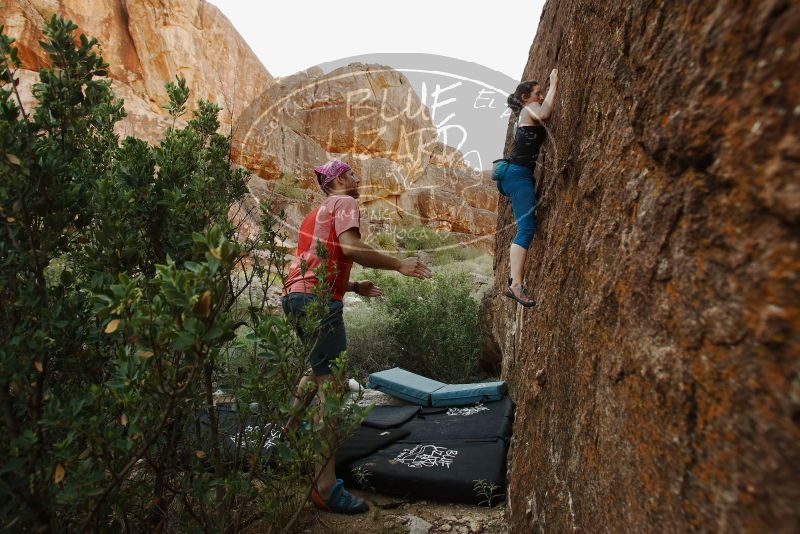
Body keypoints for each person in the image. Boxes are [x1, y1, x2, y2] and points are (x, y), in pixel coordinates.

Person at [280, 158, 432, 514]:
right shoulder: (345, 202)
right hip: (316, 300)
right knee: (330, 391)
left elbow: (314, 266)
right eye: (349, 174)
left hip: (294, 296)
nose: (355, 178)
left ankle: (289, 427)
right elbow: (350, 248)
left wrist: (353, 286)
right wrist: (399, 264)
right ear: (337, 181)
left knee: (317, 370)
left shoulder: (312, 215)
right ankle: (325, 487)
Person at [498, 69, 558, 307]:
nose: (541, 96)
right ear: (525, 97)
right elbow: (545, 112)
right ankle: (515, 285)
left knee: (526, 225)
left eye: (543, 92)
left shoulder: (522, 113)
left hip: (515, 175)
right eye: (537, 93)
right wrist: (554, 84)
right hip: (518, 175)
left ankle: (515, 282)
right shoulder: (529, 109)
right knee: (525, 229)